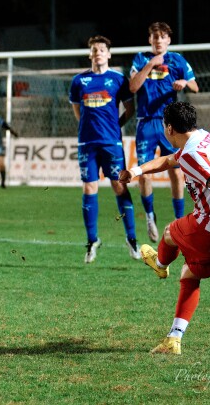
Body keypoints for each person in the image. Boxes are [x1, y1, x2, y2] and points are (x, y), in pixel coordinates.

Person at [119, 102, 210, 355]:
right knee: (189, 274)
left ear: (170, 128)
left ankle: (160, 265)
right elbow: (168, 160)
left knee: (168, 233)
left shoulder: (191, 155)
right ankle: (174, 338)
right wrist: (136, 170)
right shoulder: (203, 139)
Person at [69, 35, 139, 263]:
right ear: (90, 55)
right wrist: (88, 128)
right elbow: (78, 111)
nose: (98, 52)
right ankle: (92, 241)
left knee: (119, 185)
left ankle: (132, 238)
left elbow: (130, 109)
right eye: (94, 50)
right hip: (87, 143)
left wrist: (114, 126)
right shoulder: (79, 81)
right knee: (89, 187)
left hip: (111, 143)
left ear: (108, 54)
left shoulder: (118, 79)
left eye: (102, 49)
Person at [129, 21, 198, 244]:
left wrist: (184, 81)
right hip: (146, 123)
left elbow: (195, 86)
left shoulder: (177, 60)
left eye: (162, 36)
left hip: (170, 124)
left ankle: (179, 222)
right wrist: (151, 64)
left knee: (177, 172)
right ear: (150, 40)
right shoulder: (140, 59)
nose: (158, 40)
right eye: (154, 37)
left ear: (169, 40)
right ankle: (150, 216)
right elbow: (133, 87)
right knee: (143, 172)